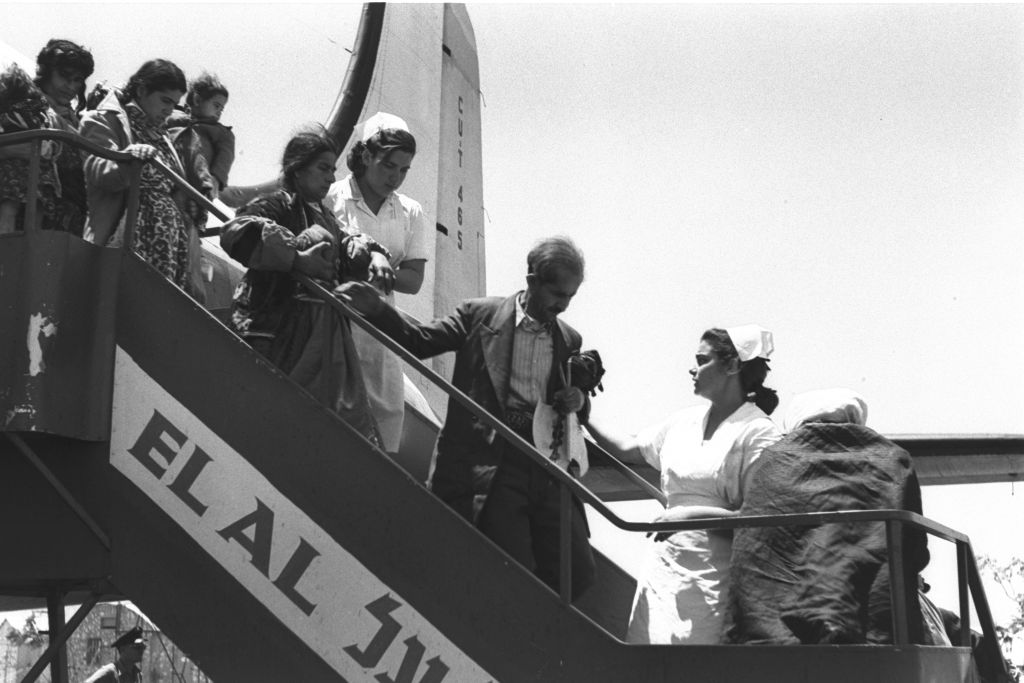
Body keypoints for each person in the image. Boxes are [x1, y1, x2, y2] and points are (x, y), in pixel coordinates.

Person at [339, 236, 597, 600]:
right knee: (505, 557)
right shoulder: (480, 314)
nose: (563, 305)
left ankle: (525, 628)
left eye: (570, 297)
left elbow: (571, 407)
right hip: (493, 457)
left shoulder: (569, 338)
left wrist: (579, 399)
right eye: (557, 294)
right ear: (532, 279)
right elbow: (421, 340)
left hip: (544, 463)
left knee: (577, 571)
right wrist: (377, 308)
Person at [584, 325, 782, 643]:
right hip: (662, 576)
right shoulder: (683, 422)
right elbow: (629, 449)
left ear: (732, 366)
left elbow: (763, 521)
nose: (692, 368)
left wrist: (690, 517)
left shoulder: (758, 433)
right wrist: (583, 413)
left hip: (716, 584)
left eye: (701, 360)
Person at [220, 127, 395, 447]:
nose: (330, 178)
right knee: (269, 422)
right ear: (297, 169)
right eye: (322, 168)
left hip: (325, 341)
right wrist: (296, 259)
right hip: (278, 331)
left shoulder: (327, 218)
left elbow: (350, 243)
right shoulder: (276, 204)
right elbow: (237, 232)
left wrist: (376, 255)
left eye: (332, 170)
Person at [722, 388, 930, 645]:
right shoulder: (894, 460)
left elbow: (752, 546)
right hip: (873, 636)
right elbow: (917, 552)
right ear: (854, 420)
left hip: (769, 636)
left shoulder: (773, 460)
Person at [324, 112, 428, 454]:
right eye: (388, 166)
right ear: (366, 155)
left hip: (381, 330)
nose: (395, 178)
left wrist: (375, 269)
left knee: (385, 416)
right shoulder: (332, 197)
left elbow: (413, 280)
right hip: (332, 320)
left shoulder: (411, 212)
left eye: (403, 170)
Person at [80, 59, 201, 297]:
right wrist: (129, 160)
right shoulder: (103, 120)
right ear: (142, 90)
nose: (169, 110)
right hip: (126, 239)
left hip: (167, 246)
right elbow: (99, 173)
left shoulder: (162, 136)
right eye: (165, 100)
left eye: (174, 104)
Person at [33, 38, 95, 235]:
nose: (70, 85)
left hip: (73, 214)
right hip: (35, 207)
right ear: (47, 72)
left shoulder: (76, 120)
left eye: (77, 80)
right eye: (64, 76)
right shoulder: (28, 103)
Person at [0, 62, 62, 234]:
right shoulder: (40, 112)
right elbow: (52, 144)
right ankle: (30, 250)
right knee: (36, 211)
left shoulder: (7, 113)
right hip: (39, 172)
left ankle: (5, 247)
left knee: (8, 208)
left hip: (12, 170)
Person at [167, 71, 234, 198]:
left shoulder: (220, 132)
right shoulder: (173, 115)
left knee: (195, 142)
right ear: (197, 100)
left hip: (197, 176)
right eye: (216, 106)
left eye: (222, 109)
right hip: (171, 163)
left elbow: (226, 155)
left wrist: (216, 179)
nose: (219, 112)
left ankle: (204, 190)